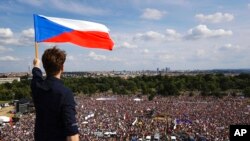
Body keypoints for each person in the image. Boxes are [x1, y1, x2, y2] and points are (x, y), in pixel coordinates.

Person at [31, 47, 79, 141]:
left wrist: (36, 65)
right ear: (62, 68)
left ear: (45, 67)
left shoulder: (36, 87)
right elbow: (72, 133)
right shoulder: (65, 93)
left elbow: (36, 76)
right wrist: (36, 66)